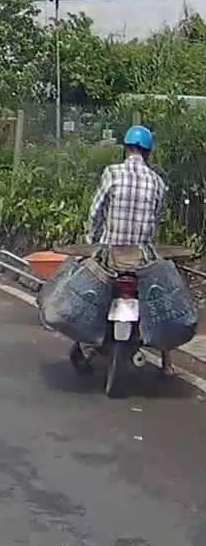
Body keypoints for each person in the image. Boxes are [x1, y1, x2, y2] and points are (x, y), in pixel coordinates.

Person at [75, 124, 169, 371]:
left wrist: (92, 239)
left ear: (126, 148)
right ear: (147, 152)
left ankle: (83, 344)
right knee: (161, 299)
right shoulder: (158, 182)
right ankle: (167, 363)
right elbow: (158, 219)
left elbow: (95, 212)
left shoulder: (112, 173)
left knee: (87, 291)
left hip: (111, 256)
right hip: (142, 261)